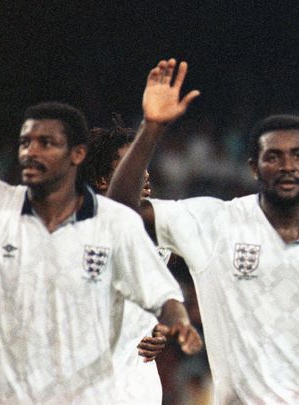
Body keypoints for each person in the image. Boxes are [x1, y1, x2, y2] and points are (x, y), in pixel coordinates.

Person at [107, 58, 299, 404]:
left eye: (298, 155)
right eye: (273, 156)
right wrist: (152, 127)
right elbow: (119, 213)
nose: (287, 166)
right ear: (253, 167)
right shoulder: (214, 223)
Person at [0, 102, 201, 403]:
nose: (146, 179)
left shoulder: (147, 229)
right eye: (26, 143)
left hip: (128, 391)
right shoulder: (5, 211)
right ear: (103, 179)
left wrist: (168, 325)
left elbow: (164, 299)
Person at [83, 115, 202, 404]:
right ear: (102, 180)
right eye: (130, 167)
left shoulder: (159, 239)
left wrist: (160, 331)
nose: (145, 175)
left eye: (144, 165)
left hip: (139, 385)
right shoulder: (77, 234)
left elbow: (154, 304)